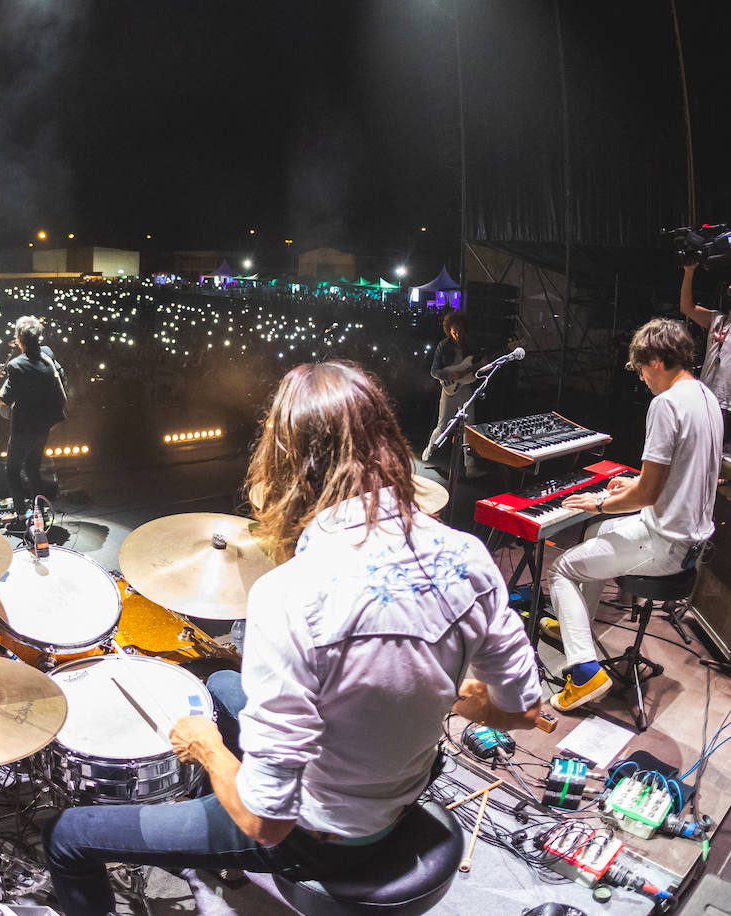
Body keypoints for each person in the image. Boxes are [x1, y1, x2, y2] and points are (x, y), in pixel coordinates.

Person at [44, 361, 541, 916]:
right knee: (227, 680)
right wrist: (424, 689)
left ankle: (213, 825)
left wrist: (206, 750)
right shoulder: (469, 555)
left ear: (286, 468)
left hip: (319, 837)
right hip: (404, 792)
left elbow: (267, 823)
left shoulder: (292, 593)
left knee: (70, 835)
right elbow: (522, 712)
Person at [546, 318, 721, 712]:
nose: (642, 378)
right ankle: (575, 622)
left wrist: (602, 501)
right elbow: (683, 468)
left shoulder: (666, 403)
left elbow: (649, 493)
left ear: (656, 360)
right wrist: (634, 486)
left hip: (664, 543)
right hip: (692, 541)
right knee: (594, 534)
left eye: (642, 368)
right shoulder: (704, 396)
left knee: (561, 568)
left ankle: (584, 674)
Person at [0, 315, 67, 517]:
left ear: (18, 339)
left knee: (12, 470)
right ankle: (40, 512)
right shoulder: (47, 354)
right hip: (44, 427)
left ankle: (20, 514)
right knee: (33, 468)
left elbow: (6, 398)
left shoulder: (16, 365)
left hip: (24, 429)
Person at [422, 311, 484, 478]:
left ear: (464, 329)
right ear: (449, 330)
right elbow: (434, 371)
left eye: (459, 330)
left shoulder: (471, 345)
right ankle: (430, 449)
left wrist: (483, 365)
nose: (457, 334)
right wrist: (449, 375)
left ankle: (470, 468)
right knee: (443, 426)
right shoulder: (443, 345)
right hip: (449, 390)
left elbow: (476, 368)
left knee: (469, 428)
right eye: (454, 331)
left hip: (466, 389)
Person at [678, 261, 731, 441]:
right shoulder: (717, 319)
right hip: (707, 397)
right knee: (700, 447)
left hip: (728, 404)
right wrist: (689, 272)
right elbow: (687, 307)